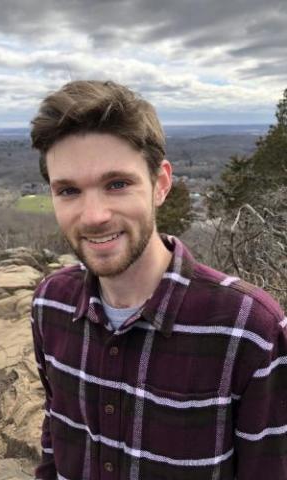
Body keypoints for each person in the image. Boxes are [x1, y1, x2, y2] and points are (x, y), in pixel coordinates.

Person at [30, 80, 287, 480]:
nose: (94, 214)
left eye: (117, 184)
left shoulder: (249, 330)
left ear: (161, 184)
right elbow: (55, 436)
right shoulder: (50, 305)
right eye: (69, 190)